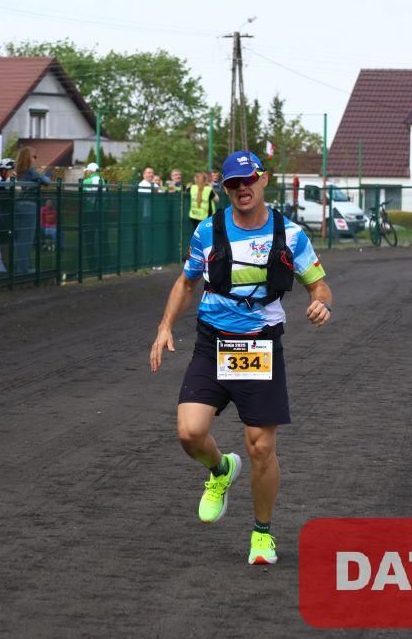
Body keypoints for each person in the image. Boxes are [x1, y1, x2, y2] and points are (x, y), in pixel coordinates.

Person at [149, 150, 334, 566]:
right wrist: (164, 327)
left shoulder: (291, 234)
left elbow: (320, 286)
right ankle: (220, 470)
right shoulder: (208, 231)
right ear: (226, 189)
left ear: (263, 179)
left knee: (261, 446)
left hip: (260, 346)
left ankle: (262, 535)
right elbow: (186, 282)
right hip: (212, 342)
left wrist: (322, 304)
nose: (241, 189)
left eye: (247, 180)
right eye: (232, 183)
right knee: (189, 433)